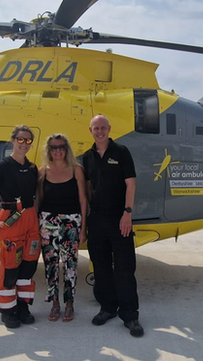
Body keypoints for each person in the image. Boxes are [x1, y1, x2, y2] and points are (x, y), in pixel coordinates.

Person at [82, 114, 143, 337]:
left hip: (120, 218)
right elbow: (88, 187)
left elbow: (131, 184)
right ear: (90, 131)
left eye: (103, 128)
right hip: (97, 219)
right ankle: (107, 308)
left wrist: (127, 213)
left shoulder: (122, 152)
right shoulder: (87, 157)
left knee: (125, 267)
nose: (100, 131)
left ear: (109, 129)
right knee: (101, 266)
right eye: (96, 128)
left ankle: (130, 315)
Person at [0, 125, 40, 329]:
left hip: (30, 218)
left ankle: (23, 306)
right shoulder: (2, 166)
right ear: (12, 140)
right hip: (11, 217)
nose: (24, 144)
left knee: (29, 264)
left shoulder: (32, 168)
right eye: (20, 140)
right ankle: (7, 310)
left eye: (28, 140)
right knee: (10, 265)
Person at [37, 133, 88, 322]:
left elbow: (83, 199)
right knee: (50, 265)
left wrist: (83, 228)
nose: (57, 150)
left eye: (61, 147)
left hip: (71, 221)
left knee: (70, 265)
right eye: (53, 147)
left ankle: (69, 304)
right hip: (47, 222)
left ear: (66, 149)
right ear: (48, 150)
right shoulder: (42, 171)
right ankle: (55, 304)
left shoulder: (77, 170)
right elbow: (39, 200)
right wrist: (37, 225)